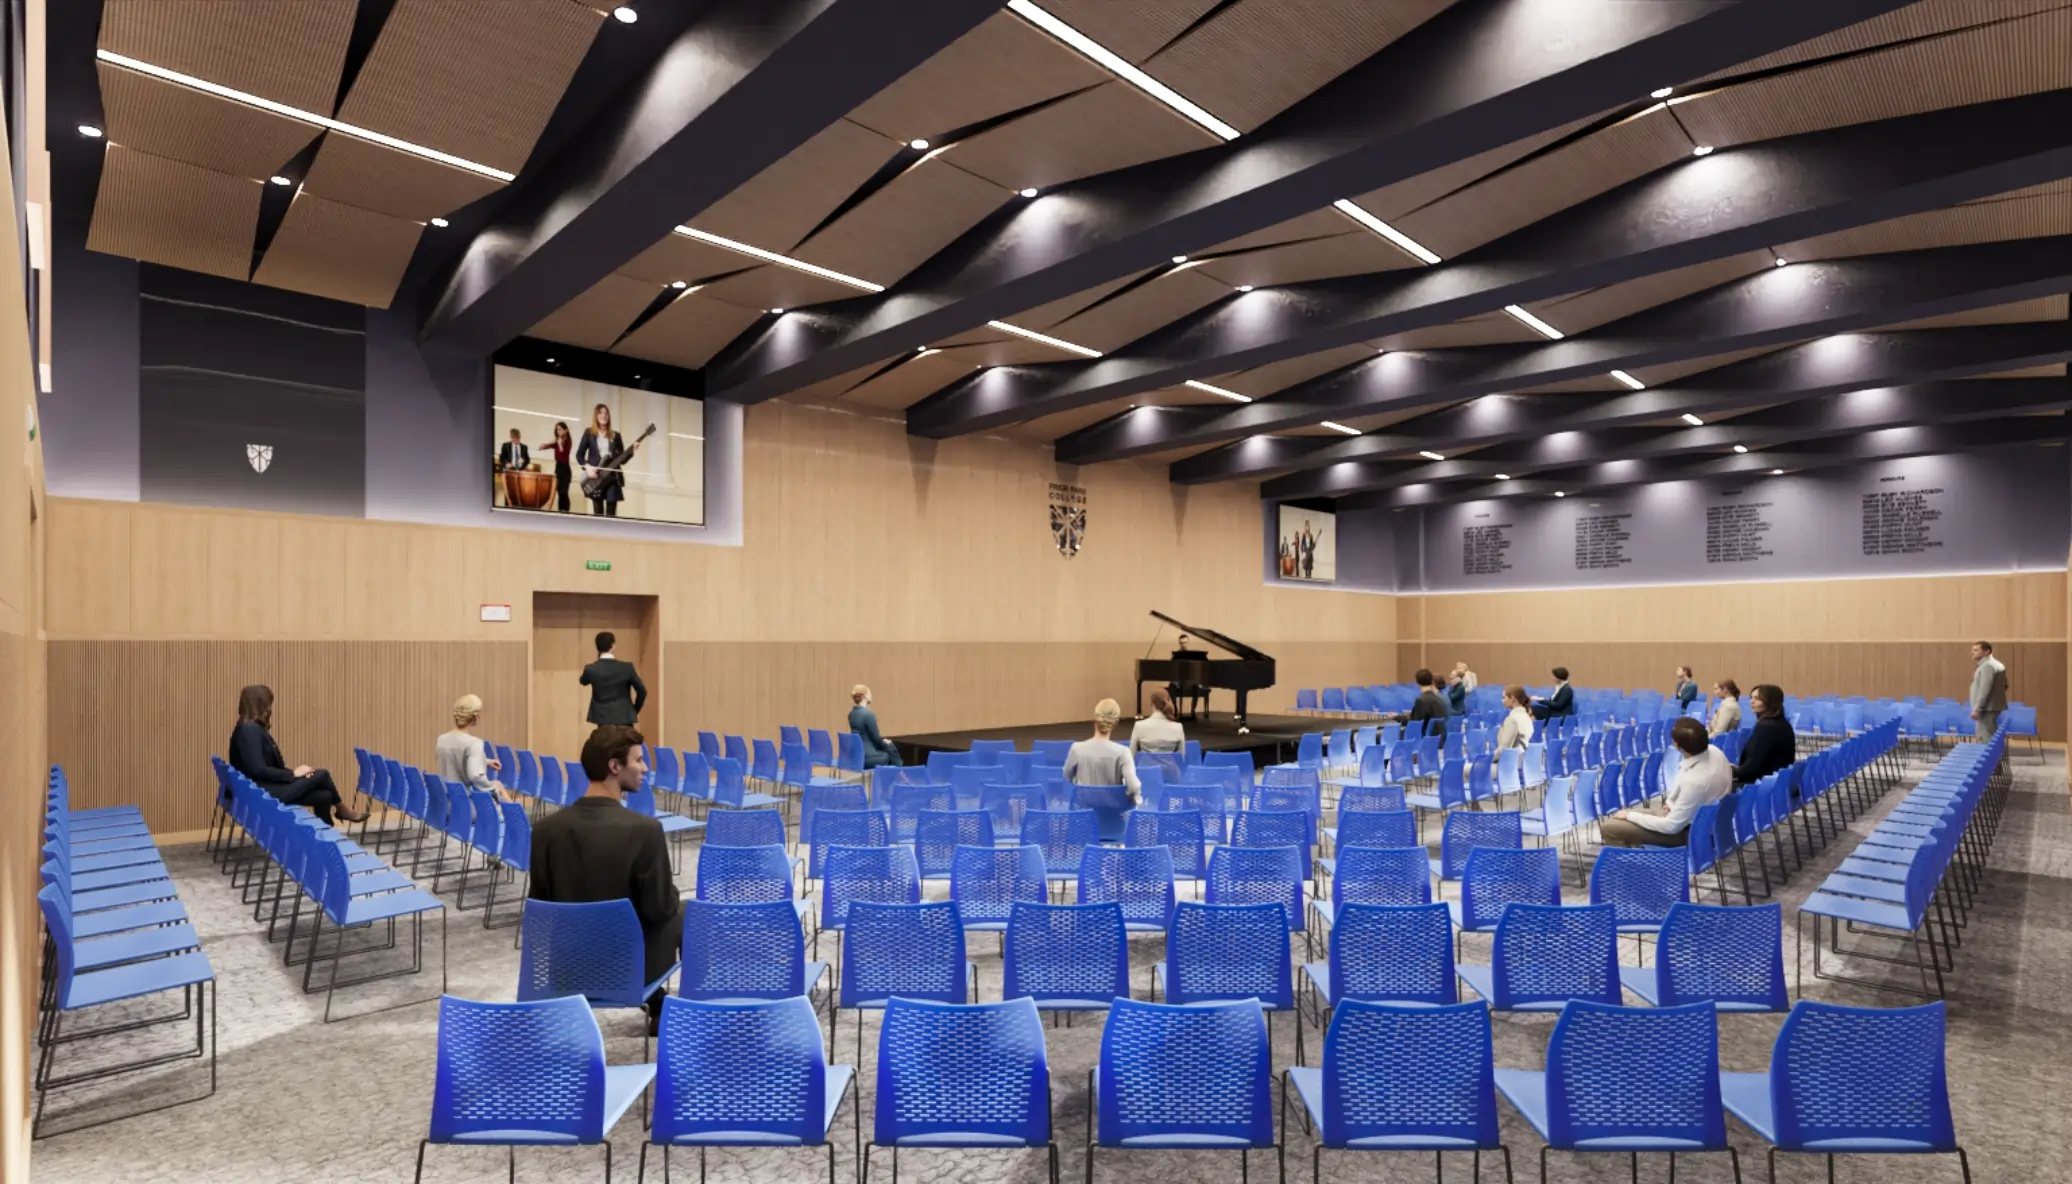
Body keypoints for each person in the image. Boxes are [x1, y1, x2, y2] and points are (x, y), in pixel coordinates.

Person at [529, 724, 679, 1030]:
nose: (644, 768)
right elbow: (659, 909)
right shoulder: (645, 830)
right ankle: (667, 1010)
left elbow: (541, 906)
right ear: (615, 766)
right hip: (628, 969)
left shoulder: (545, 830)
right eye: (638, 760)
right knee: (687, 912)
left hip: (566, 969)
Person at [227, 684, 365, 825]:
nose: (270, 709)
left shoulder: (250, 729)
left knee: (325, 795)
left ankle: (326, 835)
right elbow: (258, 769)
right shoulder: (248, 731)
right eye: (268, 704)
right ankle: (342, 809)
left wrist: (297, 774)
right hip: (262, 793)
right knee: (322, 774)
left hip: (265, 788)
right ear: (261, 705)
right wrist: (293, 775)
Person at [1600, 717, 1731, 847]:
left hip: (1687, 832)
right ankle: (1637, 856)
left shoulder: (1695, 781)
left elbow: (1671, 827)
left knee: (1610, 828)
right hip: (1695, 820)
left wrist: (1630, 816)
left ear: (1676, 745)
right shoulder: (1715, 752)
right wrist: (1671, 802)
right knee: (1619, 818)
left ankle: (1630, 865)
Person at [1064, 699, 1141, 842]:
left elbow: (1067, 776)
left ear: (1095, 719)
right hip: (1113, 821)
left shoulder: (1076, 749)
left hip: (1084, 821)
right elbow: (1134, 786)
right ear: (1116, 723)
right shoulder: (1123, 753)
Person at [436, 693, 515, 803]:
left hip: (446, 804)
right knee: (498, 786)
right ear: (474, 717)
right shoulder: (474, 743)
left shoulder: (442, 740)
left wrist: (485, 761)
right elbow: (475, 776)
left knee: (497, 785)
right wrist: (493, 790)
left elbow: (454, 758)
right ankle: (515, 819)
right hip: (466, 806)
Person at [576, 402, 637, 517]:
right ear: (596, 416)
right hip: (596, 478)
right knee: (598, 513)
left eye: (606, 413)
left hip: (612, 477)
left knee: (611, 513)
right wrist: (588, 468)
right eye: (600, 413)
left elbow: (622, 460)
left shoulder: (616, 436)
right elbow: (579, 455)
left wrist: (631, 452)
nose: (603, 415)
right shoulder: (589, 433)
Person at [1732, 683, 1796, 785]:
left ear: (1770, 702)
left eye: (1757, 698)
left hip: (1759, 785)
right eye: (1751, 697)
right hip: (1775, 784)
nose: (1751, 701)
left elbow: (1754, 765)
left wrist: (1730, 772)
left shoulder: (1766, 727)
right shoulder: (1783, 724)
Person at [581, 631, 647, 725]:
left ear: (597, 647)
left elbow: (583, 681)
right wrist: (633, 710)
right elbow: (642, 691)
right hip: (625, 718)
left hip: (602, 720)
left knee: (604, 740)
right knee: (631, 740)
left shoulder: (591, 669)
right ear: (613, 646)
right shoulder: (627, 668)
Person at [848, 685, 902, 768]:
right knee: (891, 751)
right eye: (870, 693)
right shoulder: (868, 715)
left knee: (888, 749)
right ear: (865, 695)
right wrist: (887, 744)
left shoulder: (852, 714)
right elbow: (876, 739)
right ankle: (901, 777)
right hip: (867, 757)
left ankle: (898, 777)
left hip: (856, 755)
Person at [1969, 640, 2008, 739]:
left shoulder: (1988, 666)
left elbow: (1984, 689)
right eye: (1973, 650)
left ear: (1987, 651)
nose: (1973, 652)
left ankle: (1992, 755)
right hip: (1991, 706)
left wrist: (1977, 708)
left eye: (1976, 650)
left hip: (1987, 708)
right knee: (1992, 736)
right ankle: (1997, 754)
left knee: (1985, 736)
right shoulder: (1997, 664)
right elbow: (2005, 685)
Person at [1131, 688, 1186, 754]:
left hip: (1146, 764)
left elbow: (1131, 755)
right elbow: (1181, 757)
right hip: (1171, 764)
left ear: (1152, 704)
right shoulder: (1178, 727)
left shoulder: (1139, 726)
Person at [1406, 668, 1449, 740]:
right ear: (1432, 681)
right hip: (1438, 740)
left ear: (1417, 682)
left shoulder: (1421, 701)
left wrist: (1398, 718)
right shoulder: (1439, 699)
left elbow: (1415, 723)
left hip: (1424, 739)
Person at [1496, 684, 1534, 750]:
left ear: (1513, 699)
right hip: (1522, 757)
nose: (1502, 701)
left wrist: (1489, 759)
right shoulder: (1527, 717)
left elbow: (1504, 749)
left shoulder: (1512, 719)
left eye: (1504, 697)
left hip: (1511, 759)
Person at [548, 421, 574, 513]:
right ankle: (560, 511)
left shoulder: (568, 441)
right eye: (557, 430)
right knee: (559, 492)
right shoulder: (558, 440)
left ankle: (566, 511)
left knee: (564, 492)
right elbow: (551, 445)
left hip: (565, 468)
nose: (558, 431)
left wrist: (559, 443)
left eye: (560, 429)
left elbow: (563, 452)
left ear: (564, 430)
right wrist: (544, 446)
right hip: (558, 467)